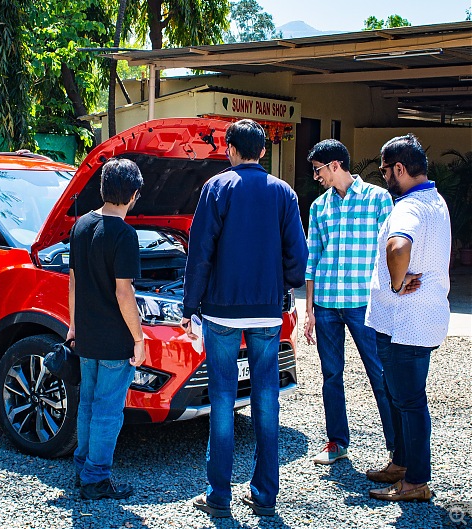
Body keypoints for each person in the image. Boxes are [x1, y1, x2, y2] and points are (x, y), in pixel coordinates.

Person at [181, 119, 308, 518]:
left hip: (221, 311)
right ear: (264, 152)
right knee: (265, 397)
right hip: (267, 312)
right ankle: (265, 496)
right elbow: (298, 258)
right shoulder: (284, 193)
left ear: (230, 150)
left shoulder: (216, 188)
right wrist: (281, 288)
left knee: (221, 398)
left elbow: (200, 251)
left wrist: (190, 304)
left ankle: (219, 495)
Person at [365, 134, 450, 502]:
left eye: (385, 170)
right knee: (403, 398)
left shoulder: (409, 207)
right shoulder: (435, 200)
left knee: (410, 401)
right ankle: (401, 463)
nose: (384, 177)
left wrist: (396, 285)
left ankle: (415, 481)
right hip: (422, 319)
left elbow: (398, 246)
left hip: (405, 323)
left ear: (399, 168)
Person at [303, 139, 395, 465]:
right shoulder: (319, 208)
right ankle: (337, 442)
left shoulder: (378, 200)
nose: (316, 177)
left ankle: (397, 450)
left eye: (318, 170)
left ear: (335, 165)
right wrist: (309, 310)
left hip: (364, 303)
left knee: (380, 373)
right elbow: (312, 259)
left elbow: (390, 252)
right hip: (327, 302)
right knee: (331, 375)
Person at [66, 157, 146, 501]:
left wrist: (72, 326)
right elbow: (123, 291)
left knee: (87, 403)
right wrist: (139, 338)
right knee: (108, 410)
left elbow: (72, 280)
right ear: (134, 196)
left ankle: (84, 467)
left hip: (86, 334)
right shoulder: (125, 235)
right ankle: (96, 479)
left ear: (102, 188)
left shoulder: (80, 225)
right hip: (115, 340)